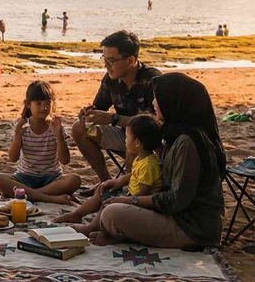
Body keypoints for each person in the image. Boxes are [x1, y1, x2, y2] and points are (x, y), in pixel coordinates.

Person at [92, 72, 226, 248]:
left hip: (191, 228)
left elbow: (175, 200)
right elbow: (157, 174)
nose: (153, 104)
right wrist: (120, 182)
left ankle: (120, 236)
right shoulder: (172, 133)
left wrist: (132, 201)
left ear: (174, 102)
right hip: (173, 215)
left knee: (112, 214)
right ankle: (118, 234)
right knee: (113, 198)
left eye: (157, 98)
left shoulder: (187, 142)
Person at [73, 30, 161, 187]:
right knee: (79, 128)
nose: (106, 65)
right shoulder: (110, 79)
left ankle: (129, 186)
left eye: (111, 60)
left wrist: (113, 119)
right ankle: (106, 183)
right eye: (104, 59)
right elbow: (99, 107)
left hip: (148, 140)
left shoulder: (152, 80)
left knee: (134, 138)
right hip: (124, 134)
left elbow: (156, 123)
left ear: (130, 60)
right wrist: (89, 113)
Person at [54, 114, 163, 234]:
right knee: (103, 192)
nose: (125, 140)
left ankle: (91, 228)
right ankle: (76, 214)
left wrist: (123, 199)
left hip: (140, 203)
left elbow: (143, 192)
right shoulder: (142, 158)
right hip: (131, 194)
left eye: (127, 137)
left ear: (137, 143)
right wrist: (118, 181)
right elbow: (134, 175)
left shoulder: (148, 164)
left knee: (108, 203)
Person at [0, 81, 81, 204]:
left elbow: (65, 160)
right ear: (28, 104)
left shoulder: (56, 127)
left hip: (51, 179)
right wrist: (18, 135)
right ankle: (48, 197)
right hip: (25, 177)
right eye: (38, 103)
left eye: (47, 103)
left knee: (74, 180)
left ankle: (29, 194)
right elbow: (13, 158)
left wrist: (59, 135)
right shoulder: (23, 126)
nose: (44, 107)